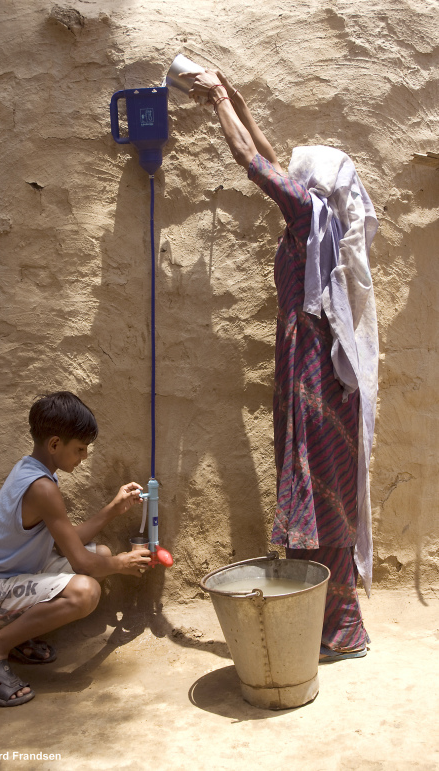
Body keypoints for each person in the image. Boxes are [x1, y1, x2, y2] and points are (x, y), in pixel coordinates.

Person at [183, 69, 379, 661]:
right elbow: (275, 163)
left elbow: (252, 160)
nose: (295, 178)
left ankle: (340, 631)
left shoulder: (306, 218)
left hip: (314, 377)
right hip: (329, 381)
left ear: (314, 186)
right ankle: (338, 627)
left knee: (321, 499)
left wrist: (217, 99)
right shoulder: (325, 221)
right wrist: (238, 100)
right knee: (330, 497)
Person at [0, 391, 151, 706]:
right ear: (54, 444)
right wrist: (122, 564)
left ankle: (13, 634)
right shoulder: (43, 488)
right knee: (86, 591)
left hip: (10, 579)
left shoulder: (32, 470)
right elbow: (81, 563)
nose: (84, 456)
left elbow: (68, 543)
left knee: (99, 555)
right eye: (80, 449)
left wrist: (113, 509)